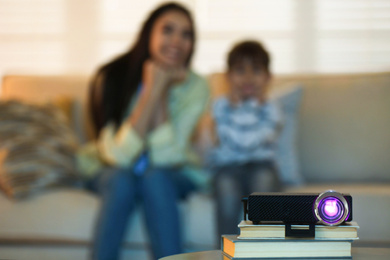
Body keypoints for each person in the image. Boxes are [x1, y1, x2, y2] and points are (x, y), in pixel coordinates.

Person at [76, 2, 209, 260]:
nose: (177, 41)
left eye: (186, 34)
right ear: (149, 34)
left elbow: (168, 158)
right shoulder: (112, 76)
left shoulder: (198, 87)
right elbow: (117, 157)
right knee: (121, 179)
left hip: (174, 172)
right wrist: (152, 90)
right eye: (167, 30)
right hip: (112, 169)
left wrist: (162, 88)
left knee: (155, 176)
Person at [208, 40, 282, 242]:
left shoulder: (270, 107)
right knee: (226, 193)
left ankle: (264, 250)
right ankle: (226, 251)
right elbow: (226, 138)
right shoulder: (221, 105)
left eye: (256, 70)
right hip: (228, 167)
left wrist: (255, 107)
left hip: (261, 165)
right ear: (228, 77)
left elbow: (255, 140)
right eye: (240, 71)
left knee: (264, 191)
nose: (248, 77)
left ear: (268, 77)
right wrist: (235, 107)